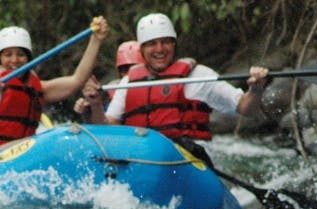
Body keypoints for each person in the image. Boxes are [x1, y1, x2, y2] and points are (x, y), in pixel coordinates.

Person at [86, 13, 268, 150]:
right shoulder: (130, 82)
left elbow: (246, 109)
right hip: (142, 158)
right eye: (152, 44)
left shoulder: (198, 76)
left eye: (166, 42)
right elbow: (108, 128)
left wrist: (256, 90)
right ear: (142, 50)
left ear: (174, 44)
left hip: (186, 159)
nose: (160, 49)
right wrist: (95, 105)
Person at [0, 16, 109, 160]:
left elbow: (77, 80)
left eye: (20, 54)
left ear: (28, 58)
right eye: (8, 54)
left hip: (21, 155)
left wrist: (96, 40)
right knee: (38, 144)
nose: (14, 60)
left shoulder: (37, 88)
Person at [73, 40, 142, 121]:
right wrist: (88, 110)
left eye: (134, 68)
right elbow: (102, 123)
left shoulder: (155, 84)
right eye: (124, 69)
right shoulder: (109, 91)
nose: (129, 74)